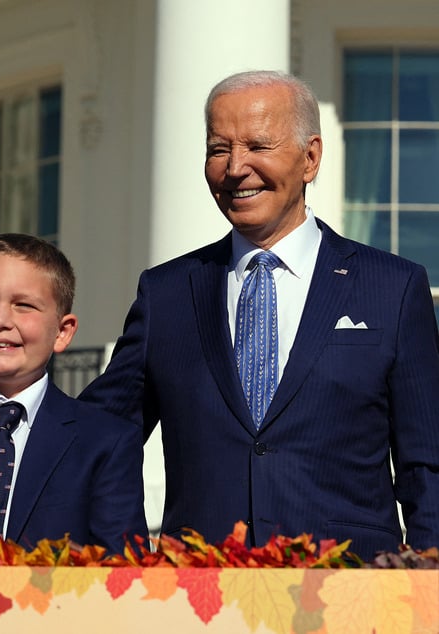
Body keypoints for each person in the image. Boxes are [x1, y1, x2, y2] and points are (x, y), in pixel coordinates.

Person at [79, 70, 439, 561]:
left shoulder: (393, 288)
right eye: (219, 149)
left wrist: (425, 590)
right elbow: (96, 440)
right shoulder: (166, 294)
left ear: (310, 157)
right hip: (199, 598)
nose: (235, 168)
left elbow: (427, 466)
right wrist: (131, 562)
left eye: (257, 146)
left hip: (351, 593)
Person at [0, 233, 147, 553]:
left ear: (62, 332)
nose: (0, 320)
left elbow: (122, 578)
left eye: (24, 306)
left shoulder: (105, 442)